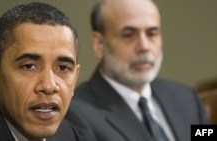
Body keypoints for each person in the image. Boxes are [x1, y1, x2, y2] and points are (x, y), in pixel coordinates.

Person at [66, 0, 209, 141]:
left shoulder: (186, 97)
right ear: (99, 44)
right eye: (128, 35)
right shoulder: (74, 114)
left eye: (152, 33)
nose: (144, 46)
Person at [0, 2, 81, 141]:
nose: (49, 86)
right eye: (29, 66)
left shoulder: (67, 134)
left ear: (75, 78)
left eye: (63, 68)